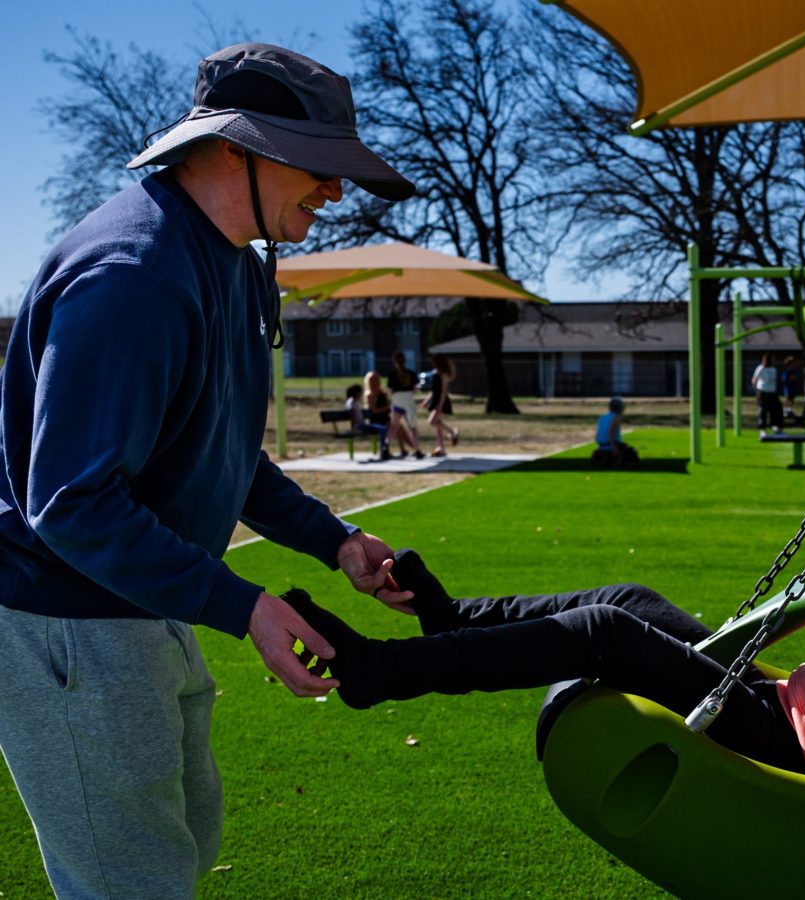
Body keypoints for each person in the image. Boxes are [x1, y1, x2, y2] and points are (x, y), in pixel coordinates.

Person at [0, 43, 417, 898]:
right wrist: (242, 604)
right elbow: (71, 504)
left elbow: (220, 446)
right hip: (69, 618)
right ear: (232, 147)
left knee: (181, 852)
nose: (336, 191)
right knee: (131, 883)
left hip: (149, 600)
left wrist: (333, 541)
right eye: (318, 165)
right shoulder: (132, 278)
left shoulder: (237, 265)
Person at [283, 458, 805, 780]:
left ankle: (380, 672)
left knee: (607, 633)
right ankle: (453, 622)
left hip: (785, 745)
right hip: (776, 702)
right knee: (632, 601)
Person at [387, 352, 425, 460]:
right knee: (412, 427)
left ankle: (386, 447)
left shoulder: (392, 374)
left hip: (397, 400)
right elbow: (415, 389)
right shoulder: (411, 374)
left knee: (394, 426)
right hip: (408, 400)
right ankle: (417, 449)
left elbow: (390, 390)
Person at [423, 353, 459, 457]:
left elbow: (443, 391)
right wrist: (427, 401)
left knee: (431, 421)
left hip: (441, 401)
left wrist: (440, 405)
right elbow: (434, 390)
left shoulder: (444, 374)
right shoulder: (435, 373)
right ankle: (441, 449)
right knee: (438, 426)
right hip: (435, 400)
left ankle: (452, 432)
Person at [346, 384, 393, 461]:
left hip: (363, 424)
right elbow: (351, 413)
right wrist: (353, 427)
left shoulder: (355, 402)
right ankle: (383, 451)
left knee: (383, 428)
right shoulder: (351, 402)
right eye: (359, 393)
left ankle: (384, 451)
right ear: (356, 393)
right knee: (383, 429)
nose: (360, 395)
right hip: (359, 426)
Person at [592, 396, 639, 468]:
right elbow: (610, 433)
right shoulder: (617, 417)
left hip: (601, 445)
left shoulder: (602, 417)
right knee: (632, 452)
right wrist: (615, 449)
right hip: (611, 444)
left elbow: (598, 435)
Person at [752, 352, 784, 437]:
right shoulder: (760, 368)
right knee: (763, 411)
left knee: (777, 409)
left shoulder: (773, 369)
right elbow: (754, 380)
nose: (773, 360)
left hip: (772, 392)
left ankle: (776, 427)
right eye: (772, 359)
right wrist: (757, 391)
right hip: (763, 392)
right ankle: (763, 429)